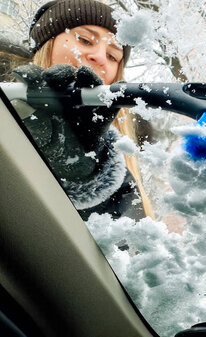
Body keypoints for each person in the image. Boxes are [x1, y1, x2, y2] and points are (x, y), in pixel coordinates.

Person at [13, 0, 153, 220]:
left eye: (112, 56)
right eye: (85, 40)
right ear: (46, 44)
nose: (98, 57)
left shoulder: (119, 179)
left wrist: (82, 176)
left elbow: (119, 249)